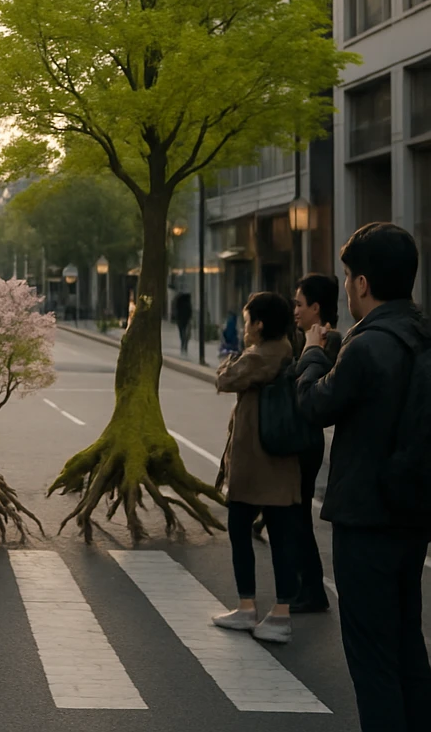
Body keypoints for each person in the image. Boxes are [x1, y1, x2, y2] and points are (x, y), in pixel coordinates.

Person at [296, 223, 431, 732]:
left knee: (372, 658)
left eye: (350, 276)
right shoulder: (420, 333)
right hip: (413, 512)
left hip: (366, 518)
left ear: (361, 284)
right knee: (406, 645)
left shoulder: (367, 344)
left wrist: (311, 352)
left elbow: (314, 405)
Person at [212, 291, 300, 644]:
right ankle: (279, 610)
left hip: (256, 462)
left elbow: (224, 379)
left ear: (259, 325)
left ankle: (254, 608)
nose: (245, 328)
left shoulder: (261, 356)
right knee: (281, 538)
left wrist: (231, 358)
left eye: (248, 321)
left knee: (239, 529)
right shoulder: (286, 351)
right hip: (279, 463)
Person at [286, 273, 341, 614]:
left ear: (316, 307)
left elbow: (312, 383)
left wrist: (305, 355)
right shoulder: (310, 337)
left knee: (299, 515)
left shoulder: (328, 340)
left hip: (307, 439)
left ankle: (311, 589)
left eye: (300, 303)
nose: (295, 309)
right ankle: (305, 587)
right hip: (304, 437)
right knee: (296, 514)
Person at [173, 291, 193, 356]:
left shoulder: (179, 304)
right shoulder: (187, 304)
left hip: (181, 321)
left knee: (182, 334)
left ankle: (183, 346)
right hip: (185, 321)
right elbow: (190, 313)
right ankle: (184, 347)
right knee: (185, 335)